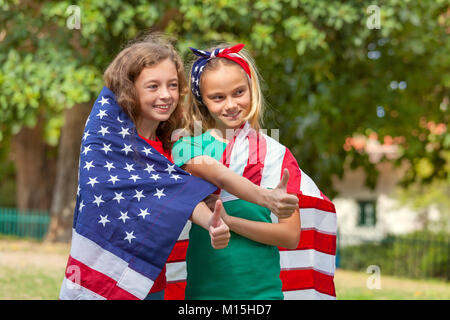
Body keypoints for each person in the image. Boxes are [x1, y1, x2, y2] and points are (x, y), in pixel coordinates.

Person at [59, 33, 231, 300]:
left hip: (149, 282)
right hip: (103, 282)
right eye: (153, 86)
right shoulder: (109, 146)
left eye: (172, 85)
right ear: (129, 89)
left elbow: (176, 193)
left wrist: (212, 223)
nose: (166, 95)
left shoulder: (172, 147)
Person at [168, 43, 337, 300]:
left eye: (239, 92)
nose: (231, 104)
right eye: (218, 97)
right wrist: (264, 197)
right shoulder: (186, 147)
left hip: (263, 292)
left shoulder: (275, 153)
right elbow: (218, 174)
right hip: (204, 292)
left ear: (251, 88)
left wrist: (230, 222)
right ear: (202, 99)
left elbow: (290, 236)